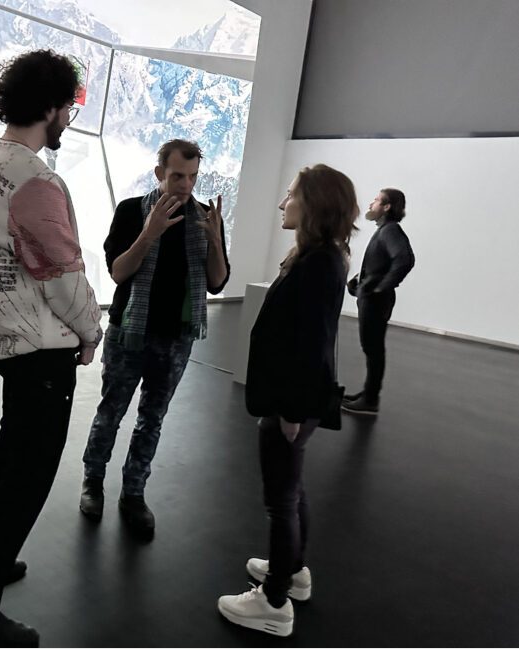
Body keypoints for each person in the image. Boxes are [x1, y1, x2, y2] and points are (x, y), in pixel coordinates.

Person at [0, 50, 102, 647]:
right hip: (43, 350)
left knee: (9, 458)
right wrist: (91, 330)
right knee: (27, 477)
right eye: (68, 108)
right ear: (52, 107)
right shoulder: (37, 179)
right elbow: (61, 273)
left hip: (11, 341)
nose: (70, 119)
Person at [217, 164, 358, 637]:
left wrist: (293, 411)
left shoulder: (318, 262)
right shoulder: (320, 256)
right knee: (291, 490)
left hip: (293, 401)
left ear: (314, 204)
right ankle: (293, 571)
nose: (283, 203)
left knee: (281, 499)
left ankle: (274, 602)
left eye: (292, 195)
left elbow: (313, 342)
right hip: (294, 397)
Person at [78, 139, 230, 538]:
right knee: (111, 411)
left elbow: (216, 281)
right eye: (178, 175)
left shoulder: (205, 218)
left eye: (193, 177)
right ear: (160, 172)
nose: (185, 185)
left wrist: (214, 239)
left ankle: (134, 491)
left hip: (177, 339)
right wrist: (149, 234)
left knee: (152, 419)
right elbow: (117, 272)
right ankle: (93, 482)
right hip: (130, 332)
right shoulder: (131, 210)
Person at [342, 188, 415, 415]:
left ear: (387, 207)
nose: (371, 204)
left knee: (373, 349)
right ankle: (367, 394)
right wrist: (359, 281)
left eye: (376, 200)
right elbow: (380, 264)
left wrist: (381, 287)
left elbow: (404, 260)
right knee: (371, 347)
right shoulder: (385, 230)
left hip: (376, 301)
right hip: (372, 299)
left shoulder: (390, 230)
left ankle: (370, 400)